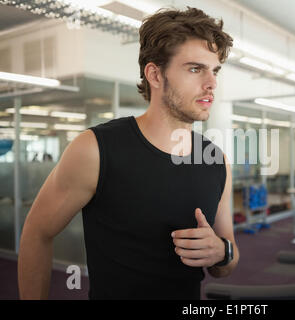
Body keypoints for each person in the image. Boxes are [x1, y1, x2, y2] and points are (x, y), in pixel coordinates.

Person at [18, 6, 239, 300]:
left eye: (215, 71)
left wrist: (220, 251)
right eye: (195, 69)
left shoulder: (216, 160)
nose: (211, 83)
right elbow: (37, 232)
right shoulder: (96, 149)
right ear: (155, 75)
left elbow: (227, 262)